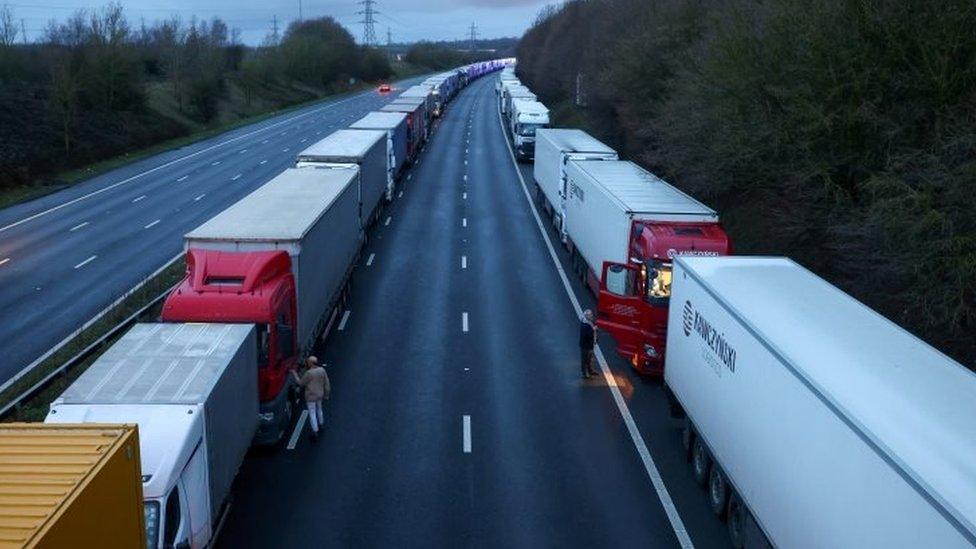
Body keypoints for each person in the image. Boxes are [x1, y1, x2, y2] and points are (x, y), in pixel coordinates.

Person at [292, 356, 330, 441]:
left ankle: (315, 431)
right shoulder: (322, 370)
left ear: (311, 363)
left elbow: (301, 383)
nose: (307, 363)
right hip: (320, 394)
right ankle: (321, 424)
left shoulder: (309, 373)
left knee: (312, 413)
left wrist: (295, 374)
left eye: (308, 362)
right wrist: (326, 394)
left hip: (311, 396)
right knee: (319, 409)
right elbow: (327, 383)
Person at [579, 310, 598, 379]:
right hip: (585, 346)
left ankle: (590, 370)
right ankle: (585, 373)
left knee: (589, 359)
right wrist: (593, 329)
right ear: (586, 316)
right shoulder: (584, 325)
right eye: (590, 315)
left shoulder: (589, 322)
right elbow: (586, 335)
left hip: (590, 345)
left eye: (591, 314)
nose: (592, 316)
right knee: (584, 360)